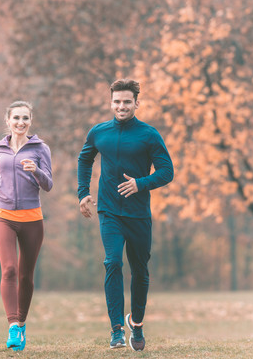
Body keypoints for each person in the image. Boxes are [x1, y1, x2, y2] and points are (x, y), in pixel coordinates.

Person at [77, 79, 173, 351]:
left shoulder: (149, 134)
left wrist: (140, 183)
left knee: (140, 271)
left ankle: (137, 324)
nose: (121, 106)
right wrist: (83, 192)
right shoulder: (99, 132)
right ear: (111, 103)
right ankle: (116, 330)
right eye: (117, 102)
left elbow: (167, 172)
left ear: (136, 103)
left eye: (127, 102)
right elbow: (85, 159)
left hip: (138, 214)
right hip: (109, 211)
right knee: (112, 263)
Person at [0, 100, 53, 352]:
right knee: (9, 270)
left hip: (32, 218)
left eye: (25, 118)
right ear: (8, 121)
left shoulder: (40, 148)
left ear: (31, 120)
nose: (21, 123)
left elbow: (48, 184)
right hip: (3, 216)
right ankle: (13, 325)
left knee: (26, 276)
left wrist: (36, 170)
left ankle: (22, 322)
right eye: (16, 118)